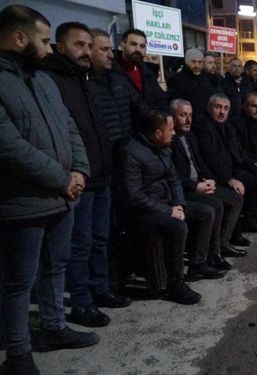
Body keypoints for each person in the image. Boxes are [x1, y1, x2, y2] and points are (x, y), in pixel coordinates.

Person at [0, 5, 97, 373]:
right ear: (19, 38)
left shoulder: (42, 80)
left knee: (57, 267)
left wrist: (80, 171)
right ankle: (18, 353)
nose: (49, 48)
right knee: (18, 283)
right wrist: (63, 178)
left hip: (62, 197)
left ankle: (55, 326)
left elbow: (70, 128)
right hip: (23, 202)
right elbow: (9, 147)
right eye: (44, 40)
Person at [46, 22, 130, 328]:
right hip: (80, 178)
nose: (86, 51)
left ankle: (100, 289)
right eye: (80, 45)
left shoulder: (87, 80)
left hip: (102, 174)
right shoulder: (54, 81)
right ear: (61, 46)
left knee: (99, 238)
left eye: (87, 46)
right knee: (79, 245)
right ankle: (81, 302)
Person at [117, 110, 220, 300]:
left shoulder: (163, 147)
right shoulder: (130, 153)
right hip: (144, 210)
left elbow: (173, 179)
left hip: (167, 203)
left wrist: (179, 204)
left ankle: (198, 264)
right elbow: (134, 195)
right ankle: (175, 283)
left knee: (207, 211)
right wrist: (168, 210)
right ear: (157, 133)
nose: (174, 133)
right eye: (170, 129)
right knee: (178, 227)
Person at [169, 99, 245, 263]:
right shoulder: (170, 140)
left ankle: (222, 244)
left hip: (199, 184)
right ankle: (210, 255)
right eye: (183, 115)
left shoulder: (189, 136)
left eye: (190, 115)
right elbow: (172, 175)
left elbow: (200, 162)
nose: (188, 120)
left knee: (235, 197)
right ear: (172, 117)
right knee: (215, 205)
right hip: (185, 190)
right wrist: (196, 186)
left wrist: (209, 179)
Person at [195, 94, 257, 232]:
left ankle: (252, 220)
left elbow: (239, 152)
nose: (222, 111)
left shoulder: (227, 127)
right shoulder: (203, 126)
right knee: (244, 187)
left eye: (226, 108)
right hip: (216, 175)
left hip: (232, 170)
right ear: (209, 108)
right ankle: (235, 231)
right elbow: (211, 157)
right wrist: (229, 179)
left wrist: (256, 169)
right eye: (218, 107)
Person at [112, 28, 168, 110]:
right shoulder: (111, 71)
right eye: (133, 44)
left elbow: (160, 101)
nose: (138, 49)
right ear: (123, 45)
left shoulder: (148, 74)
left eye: (142, 46)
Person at [169, 48, 222, 123]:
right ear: (187, 62)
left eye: (200, 62)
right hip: (191, 122)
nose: (197, 65)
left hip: (208, 121)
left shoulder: (206, 77)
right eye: (193, 62)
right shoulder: (178, 79)